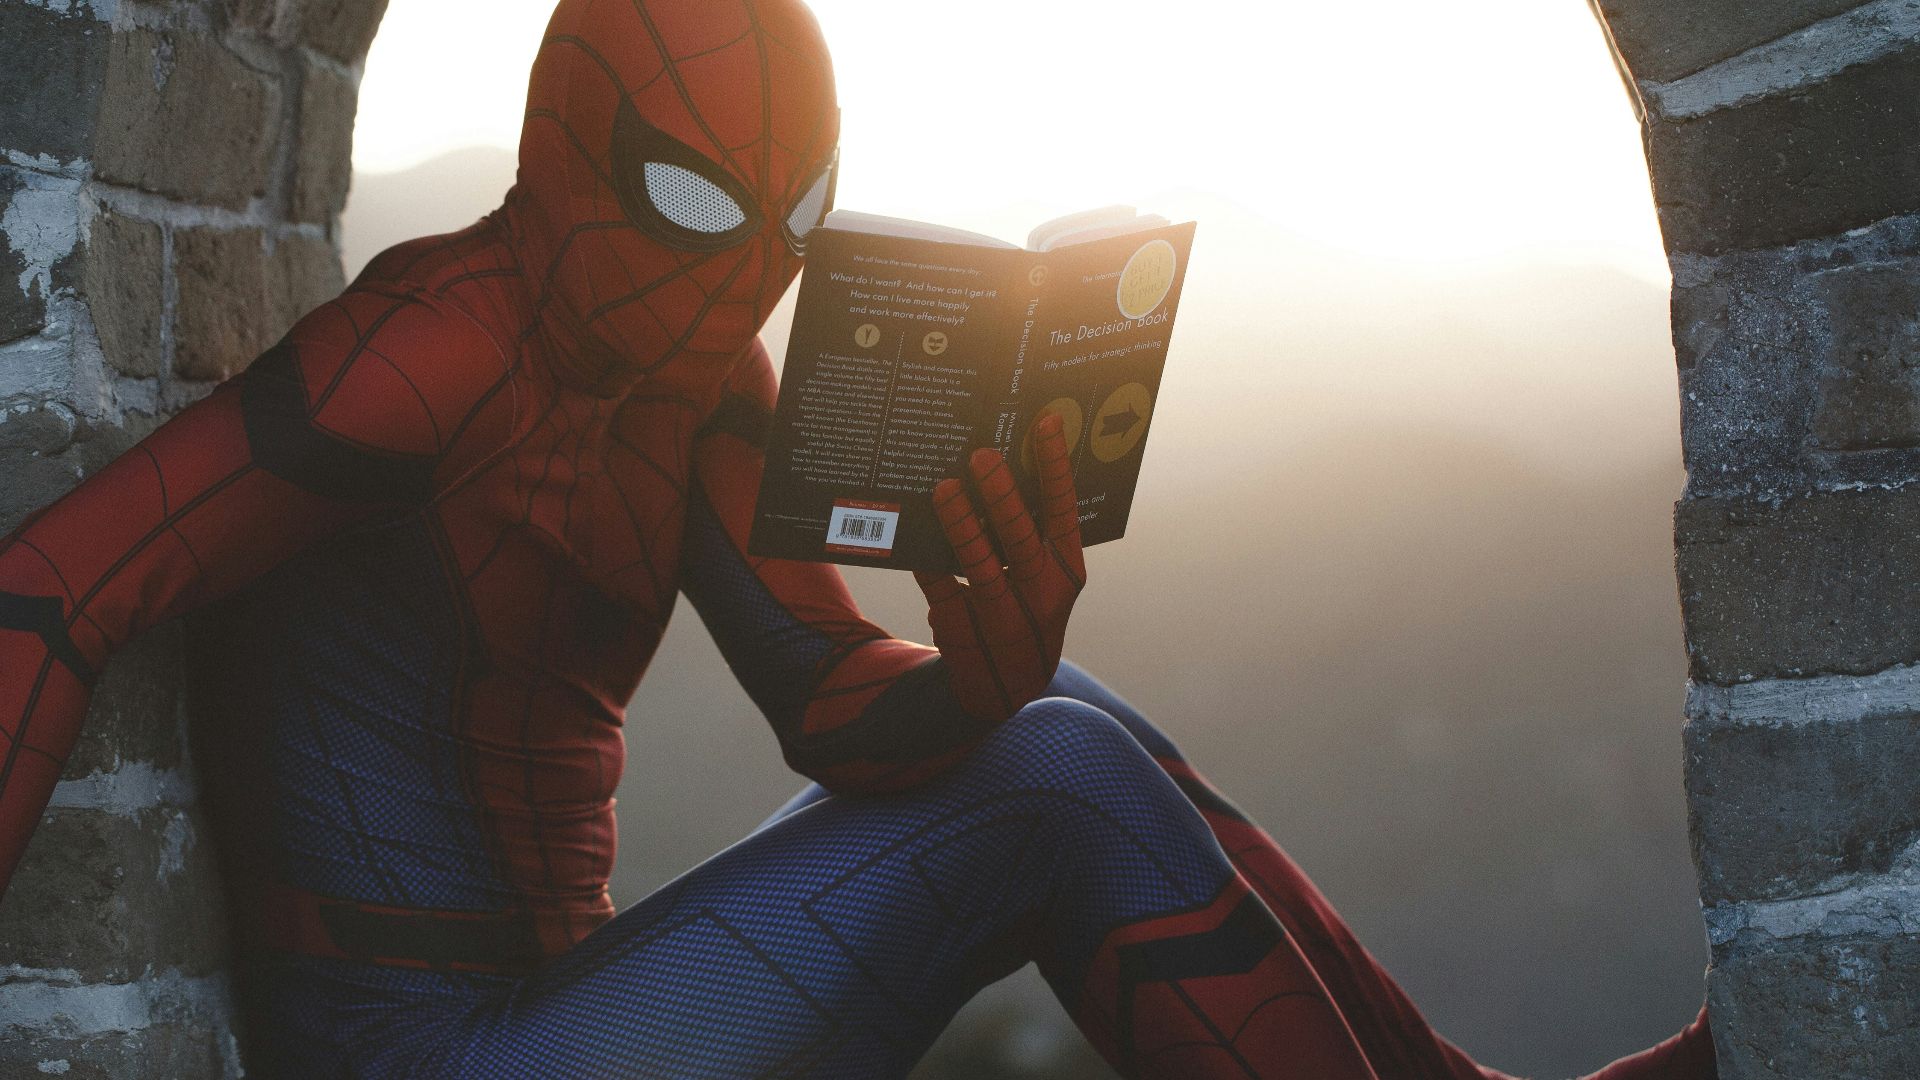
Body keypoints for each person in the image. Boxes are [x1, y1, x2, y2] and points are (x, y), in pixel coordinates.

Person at [0, 0, 1715, 1076]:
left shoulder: (693, 369)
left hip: (579, 1009)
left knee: (1068, 719)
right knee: (1053, 781)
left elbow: (830, 698)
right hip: (412, 1047)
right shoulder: (435, 353)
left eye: (793, 216)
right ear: (562, 151)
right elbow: (61, 578)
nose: (748, 266)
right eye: (692, 201)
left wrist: (977, 666)